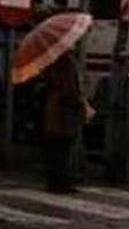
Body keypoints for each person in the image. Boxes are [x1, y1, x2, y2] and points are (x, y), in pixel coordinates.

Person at [40, 50, 88, 194]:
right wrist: (81, 104)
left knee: (55, 148)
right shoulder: (66, 62)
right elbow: (70, 89)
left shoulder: (51, 61)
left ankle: (54, 182)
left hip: (53, 110)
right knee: (63, 149)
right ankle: (61, 183)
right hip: (64, 112)